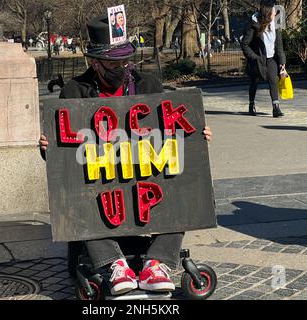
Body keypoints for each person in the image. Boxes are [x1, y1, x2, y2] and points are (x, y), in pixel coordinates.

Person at [40, 15, 212, 296]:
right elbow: (63, 162)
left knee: (182, 191)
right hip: (99, 181)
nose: (121, 67)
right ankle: (113, 264)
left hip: (146, 173)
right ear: (94, 62)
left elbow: (175, 133)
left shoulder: (150, 85)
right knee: (76, 198)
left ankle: (157, 263)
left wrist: (197, 139)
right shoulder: (75, 91)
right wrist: (49, 147)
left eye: (125, 61)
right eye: (113, 63)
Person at [241, 0, 286, 118]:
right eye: (273, 12)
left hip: (271, 58)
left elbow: (279, 45)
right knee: (254, 82)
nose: (275, 13)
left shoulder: (275, 24)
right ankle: (251, 104)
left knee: (273, 80)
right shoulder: (254, 24)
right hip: (257, 59)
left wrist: (282, 63)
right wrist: (254, 57)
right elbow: (245, 44)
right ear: (267, 13)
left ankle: (276, 108)